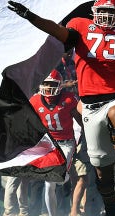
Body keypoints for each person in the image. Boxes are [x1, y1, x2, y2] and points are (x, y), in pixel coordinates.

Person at [7, 0, 115, 216]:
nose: (106, 18)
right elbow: (57, 31)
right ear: (94, 13)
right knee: (99, 169)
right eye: (102, 12)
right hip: (90, 104)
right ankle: (111, 209)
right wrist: (31, 17)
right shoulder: (80, 26)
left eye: (111, 13)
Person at [30, 69, 81, 216]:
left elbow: (81, 121)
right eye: (45, 83)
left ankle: (65, 178)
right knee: (48, 184)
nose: (48, 87)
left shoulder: (69, 99)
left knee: (60, 179)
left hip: (66, 143)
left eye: (51, 84)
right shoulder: (35, 100)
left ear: (59, 86)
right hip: (47, 145)